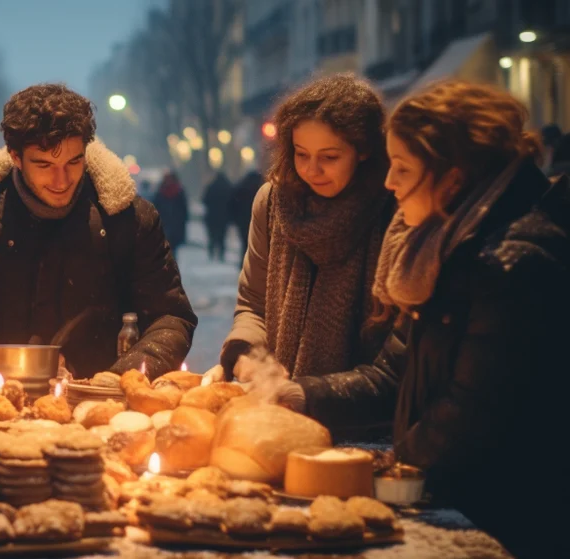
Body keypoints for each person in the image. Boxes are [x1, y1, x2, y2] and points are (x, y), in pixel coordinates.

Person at [376, 81, 567, 558]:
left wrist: (390, 470)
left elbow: (473, 408)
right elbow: (398, 370)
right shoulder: (441, 250)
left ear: (453, 180)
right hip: (454, 503)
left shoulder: (510, 262)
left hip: (505, 521)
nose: (388, 182)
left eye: (402, 168)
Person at [0, 83, 197, 378]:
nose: (62, 180)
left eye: (74, 161)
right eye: (45, 165)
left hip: (101, 403)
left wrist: (124, 375)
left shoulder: (127, 218)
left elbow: (171, 317)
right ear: (15, 157)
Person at [216, 74, 399, 440]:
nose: (311, 170)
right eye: (301, 155)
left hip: (370, 426)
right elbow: (253, 302)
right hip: (282, 418)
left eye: (329, 157)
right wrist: (247, 353)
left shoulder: (392, 209)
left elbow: (396, 351)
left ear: (363, 150)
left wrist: (316, 394)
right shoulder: (273, 203)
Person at [229, 170, 263, 264]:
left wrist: (235, 219)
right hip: (256, 222)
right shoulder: (260, 189)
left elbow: (232, 205)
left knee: (245, 243)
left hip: (243, 222)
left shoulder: (240, 188)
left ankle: (244, 262)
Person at [202, 171, 232, 261]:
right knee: (222, 236)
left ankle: (211, 251)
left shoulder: (211, 186)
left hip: (212, 215)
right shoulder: (228, 187)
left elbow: (204, 200)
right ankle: (221, 253)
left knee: (212, 235)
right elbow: (232, 202)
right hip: (224, 216)